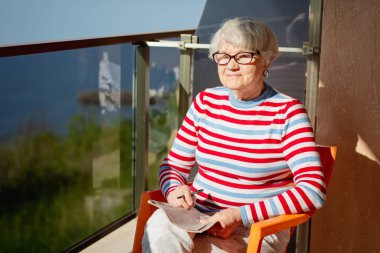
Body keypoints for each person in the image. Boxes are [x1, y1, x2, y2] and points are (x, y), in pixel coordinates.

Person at [142, 17, 326, 253]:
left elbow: (313, 190)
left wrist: (239, 215)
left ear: (266, 60)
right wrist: (174, 189)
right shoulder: (205, 102)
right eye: (224, 56)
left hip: (254, 229)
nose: (231, 65)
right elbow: (173, 166)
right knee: (158, 227)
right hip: (198, 218)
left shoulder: (288, 113)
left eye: (244, 56)